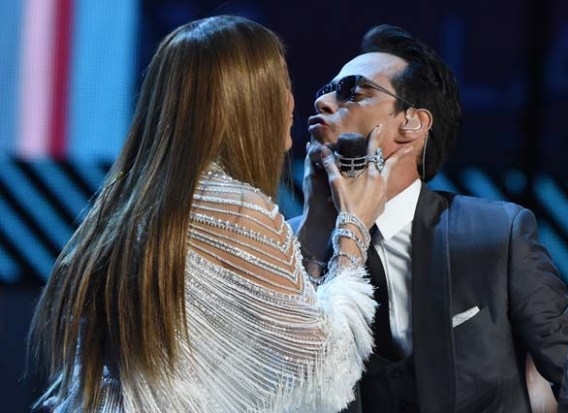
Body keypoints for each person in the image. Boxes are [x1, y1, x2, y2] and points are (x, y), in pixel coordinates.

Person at [27, 15, 410, 412]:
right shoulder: (238, 209)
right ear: (248, 100)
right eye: (282, 83)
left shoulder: (124, 205)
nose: (298, 101)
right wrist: (353, 229)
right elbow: (323, 373)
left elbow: (265, 342)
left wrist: (314, 226)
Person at [291, 24, 568, 412]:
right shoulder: (292, 242)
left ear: (412, 122)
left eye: (354, 92)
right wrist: (312, 241)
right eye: (325, 92)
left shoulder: (494, 234)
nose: (325, 103)